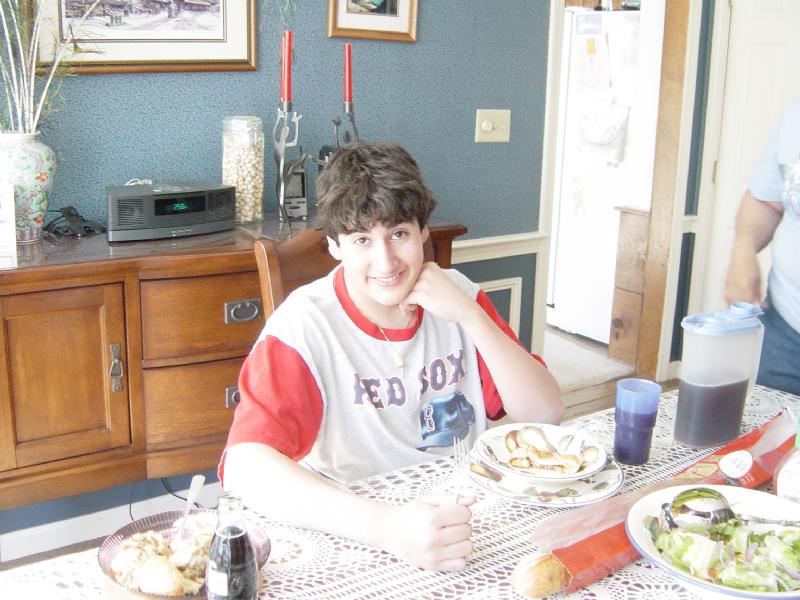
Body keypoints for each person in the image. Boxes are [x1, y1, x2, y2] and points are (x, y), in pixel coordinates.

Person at [220, 142, 563, 571]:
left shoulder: (461, 296)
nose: (385, 262)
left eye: (399, 234)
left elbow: (545, 413)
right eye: (362, 240)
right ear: (334, 245)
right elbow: (244, 468)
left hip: (462, 517)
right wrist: (388, 528)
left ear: (423, 232)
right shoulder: (304, 326)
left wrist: (470, 316)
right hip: (356, 529)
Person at [725, 99, 800, 395]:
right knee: (767, 423)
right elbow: (767, 201)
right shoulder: (794, 118)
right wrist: (743, 249)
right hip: (785, 333)